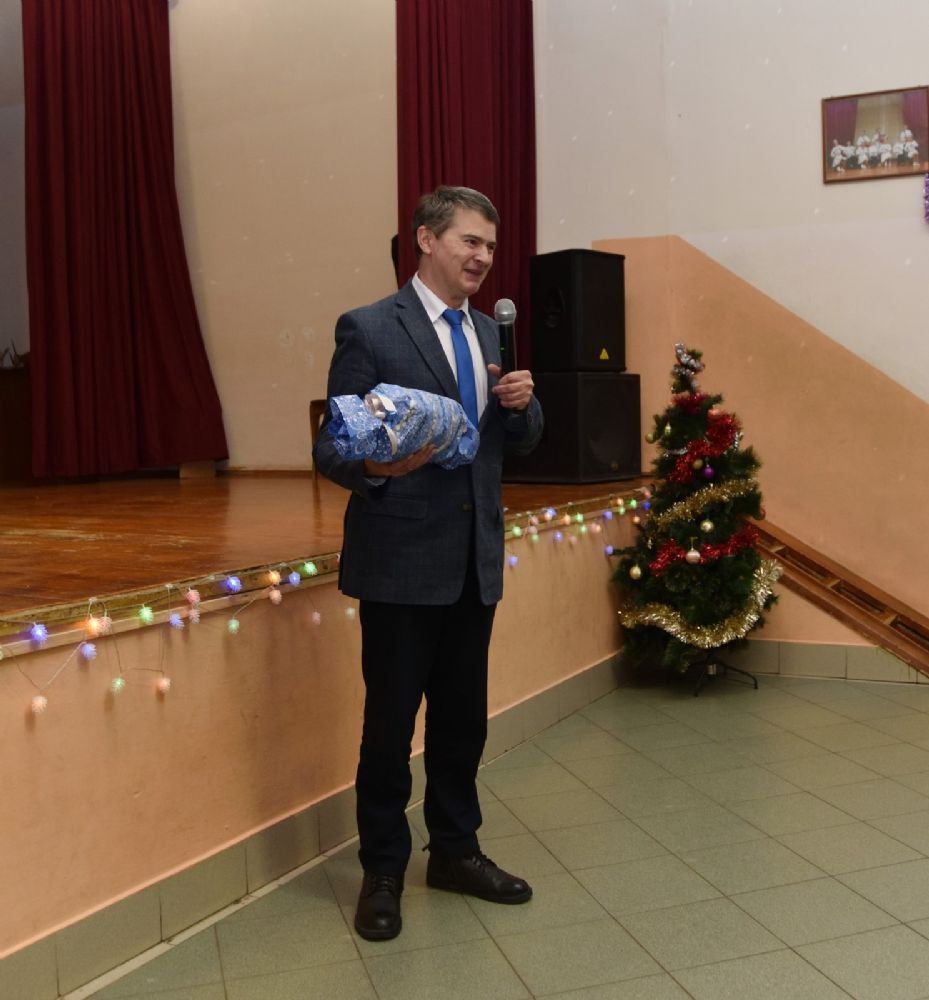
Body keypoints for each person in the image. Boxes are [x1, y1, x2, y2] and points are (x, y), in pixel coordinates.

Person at [313, 185, 543, 941]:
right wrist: (379, 467)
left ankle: (454, 852)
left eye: (490, 245)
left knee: (461, 723)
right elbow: (332, 446)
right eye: (470, 241)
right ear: (426, 239)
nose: (483, 257)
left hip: (474, 562)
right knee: (388, 729)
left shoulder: (491, 332)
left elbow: (518, 441)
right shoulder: (371, 328)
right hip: (400, 561)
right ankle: (383, 869)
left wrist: (523, 405)